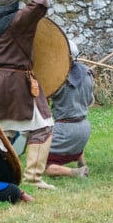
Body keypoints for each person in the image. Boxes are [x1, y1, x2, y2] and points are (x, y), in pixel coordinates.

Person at [0, 0, 56, 190]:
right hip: (19, 84)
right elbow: (41, 3)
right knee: (42, 128)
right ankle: (33, 177)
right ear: (12, 4)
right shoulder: (17, 21)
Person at [45, 41, 94, 179]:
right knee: (73, 143)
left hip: (65, 131)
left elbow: (44, 101)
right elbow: (90, 101)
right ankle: (81, 162)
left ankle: (74, 172)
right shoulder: (88, 73)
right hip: (84, 129)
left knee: (40, 162)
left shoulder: (57, 79)